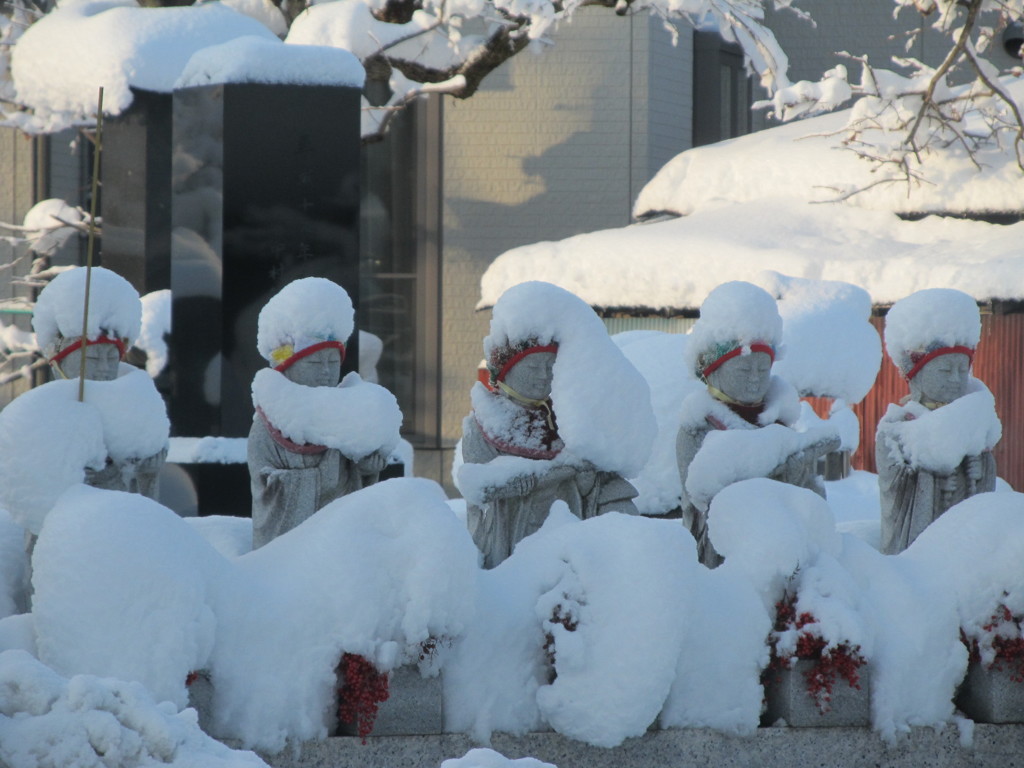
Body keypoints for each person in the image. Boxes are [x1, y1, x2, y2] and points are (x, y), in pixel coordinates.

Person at [457, 281, 655, 569]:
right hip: (511, 537)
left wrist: (587, 481)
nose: (541, 376)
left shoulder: (564, 417)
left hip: (566, 530)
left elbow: (598, 478)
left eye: (549, 368)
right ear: (507, 371)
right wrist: (545, 475)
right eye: (531, 367)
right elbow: (478, 486)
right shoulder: (484, 424)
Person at [676, 282, 837, 567]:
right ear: (714, 373)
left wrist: (810, 466)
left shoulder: (780, 424)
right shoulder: (698, 427)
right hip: (724, 553)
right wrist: (780, 465)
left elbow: (817, 493)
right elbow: (705, 494)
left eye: (763, 369)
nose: (754, 378)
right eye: (743, 369)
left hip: (788, 550)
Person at [248, 277, 401, 548]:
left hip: (340, 537)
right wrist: (323, 476)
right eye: (316, 362)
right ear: (289, 367)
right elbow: (266, 488)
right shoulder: (268, 423)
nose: (327, 370)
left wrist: (366, 468)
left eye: (333, 361)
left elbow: (358, 475)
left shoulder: (344, 414)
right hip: (290, 544)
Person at [876, 288, 1000, 554]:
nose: (955, 379)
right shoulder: (897, 428)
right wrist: (931, 477)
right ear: (916, 375)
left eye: (961, 369)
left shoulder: (976, 423)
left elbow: (985, 491)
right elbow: (895, 492)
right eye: (945, 369)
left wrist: (976, 468)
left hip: (967, 548)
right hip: (916, 546)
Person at [32, 266, 168, 497]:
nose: (104, 368)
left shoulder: (133, 408)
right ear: (59, 363)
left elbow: (143, 495)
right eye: (92, 358)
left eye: (111, 357)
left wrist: (148, 469)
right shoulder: (42, 412)